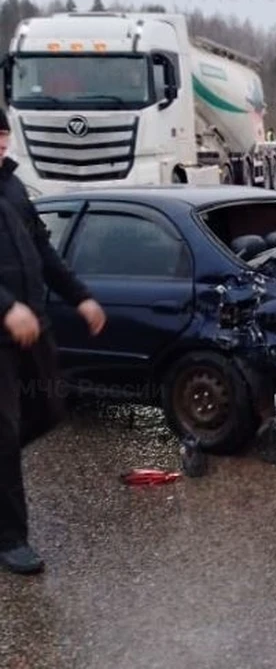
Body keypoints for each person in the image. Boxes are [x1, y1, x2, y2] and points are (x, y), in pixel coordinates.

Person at [0, 108, 107, 574]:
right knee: (3, 431)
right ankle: (10, 540)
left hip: (33, 325)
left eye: (2, 136)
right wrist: (6, 307)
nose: (0, 145)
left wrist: (80, 297)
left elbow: (42, 249)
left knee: (48, 409)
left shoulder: (13, 186)